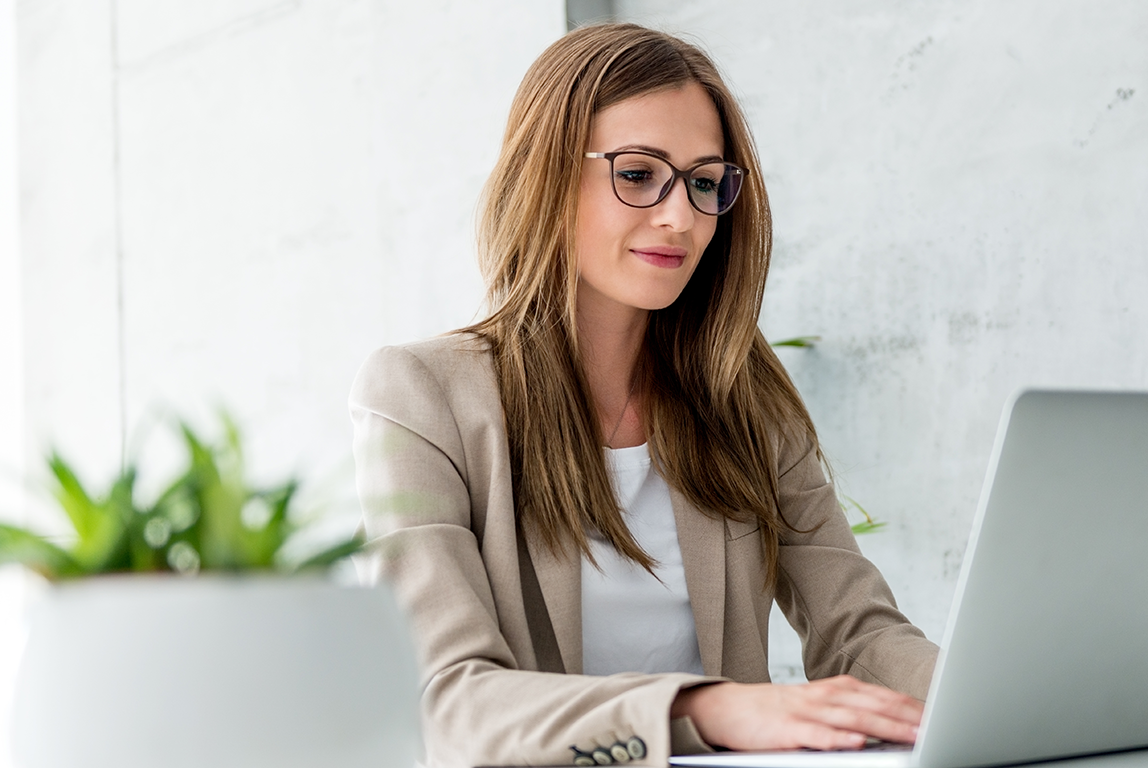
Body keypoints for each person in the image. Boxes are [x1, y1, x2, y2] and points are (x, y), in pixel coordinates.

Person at [349, 23, 939, 768]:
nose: (680, 217)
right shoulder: (421, 395)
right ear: (546, 173)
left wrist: (988, 692)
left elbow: (860, 634)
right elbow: (448, 702)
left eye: (702, 181)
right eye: (637, 174)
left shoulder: (740, 394)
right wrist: (703, 708)